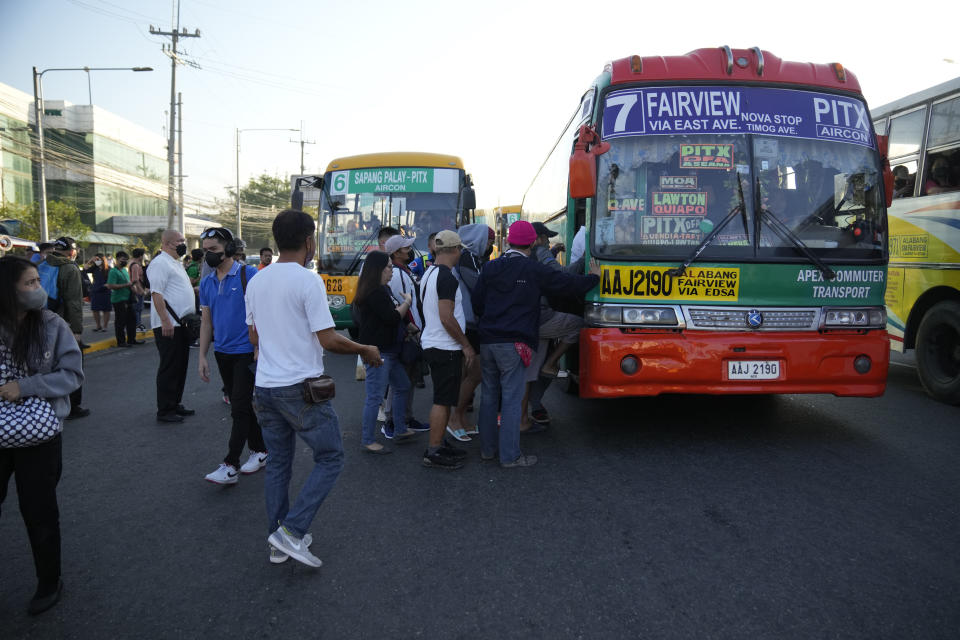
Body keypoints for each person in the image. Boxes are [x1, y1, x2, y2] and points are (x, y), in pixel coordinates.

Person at [246, 209, 381, 567]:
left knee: (278, 465)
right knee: (331, 457)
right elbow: (329, 340)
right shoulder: (308, 281)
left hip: (264, 387)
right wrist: (364, 349)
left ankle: (278, 543)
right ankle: (291, 532)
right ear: (309, 241)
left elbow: (253, 335)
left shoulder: (257, 280)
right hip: (300, 389)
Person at [473, 221, 600, 468]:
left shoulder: (490, 268)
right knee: (511, 399)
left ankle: (487, 450)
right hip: (515, 343)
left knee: (489, 397)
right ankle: (510, 456)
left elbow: (478, 303)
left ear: (508, 241)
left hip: (488, 341)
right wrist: (592, 279)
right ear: (532, 243)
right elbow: (567, 284)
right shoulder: (532, 269)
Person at [0, 256, 83, 615]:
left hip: (39, 435)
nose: (39, 289)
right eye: (30, 283)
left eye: (38, 281)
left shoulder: (52, 324)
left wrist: (27, 386)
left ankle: (49, 582)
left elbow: (72, 375)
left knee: (39, 512)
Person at [196, 227, 267, 484]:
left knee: (238, 406)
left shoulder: (249, 275)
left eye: (213, 250)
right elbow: (206, 322)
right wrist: (203, 356)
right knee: (244, 405)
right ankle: (260, 450)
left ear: (228, 248)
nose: (208, 255)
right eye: (205, 251)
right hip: (222, 352)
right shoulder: (206, 282)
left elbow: (262, 314)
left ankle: (230, 464)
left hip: (246, 352)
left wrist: (259, 347)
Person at [418, 230, 475, 470]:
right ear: (453, 250)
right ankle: (433, 450)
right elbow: (446, 317)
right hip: (445, 346)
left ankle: (438, 443)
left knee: (445, 398)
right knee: (442, 401)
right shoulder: (447, 278)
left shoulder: (429, 273)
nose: (461, 253)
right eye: (460, 249)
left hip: (433, 342)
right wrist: (466, 345)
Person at [354, 250, 417, 454]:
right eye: (389, 267)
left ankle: (399, 429)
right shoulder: (375, 292)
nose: (392, 270)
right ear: (378, 270)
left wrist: (408, 325)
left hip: (388, 350)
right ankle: (368, 440)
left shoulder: (383, 289)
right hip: (378, 352)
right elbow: (391, 317)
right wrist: (407, 302)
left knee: (402, 385)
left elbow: (393, 314)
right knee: (375, 397)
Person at [147, 230, 195, 423]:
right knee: (170, 367)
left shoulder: (175, 263)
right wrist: (166, 321)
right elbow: (156, 294)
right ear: (167, 243)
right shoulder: (160, 263)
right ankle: (165, 409)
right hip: (169, 324)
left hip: (181, 324)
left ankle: (175, 403)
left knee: (180, 365)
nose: (183, 243)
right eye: (180, 241)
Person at [383, 233, 428, 435]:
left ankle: (406, 418)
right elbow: (401, 304)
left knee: (408, 379)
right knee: (400, 381)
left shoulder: (403, 271)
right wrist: (410, 328)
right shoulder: (397, 274)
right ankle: (392, 421)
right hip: (407, 333)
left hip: (412, 331)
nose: (409, 250)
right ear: (396, 253)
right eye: (405, 248)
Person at [39, 237, 89, 420]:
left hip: (40, 320)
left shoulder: (43, 264)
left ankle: (46, 403)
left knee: (48, 364)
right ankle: (73, 406)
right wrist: (77, 330)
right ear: (72, 251)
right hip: (61, 323)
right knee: (72, 363)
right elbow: (74, 302)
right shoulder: (69, 268)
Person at [447, 223, 488, 437]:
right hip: (469, 323)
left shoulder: (466, 257)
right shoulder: (468, 258)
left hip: (466, 321)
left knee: (467, 373)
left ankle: (460, 417)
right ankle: (455, 418)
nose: (489, 244)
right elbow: (480, 286)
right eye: (487, 240)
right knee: (475, 373)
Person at [105, 251, 140, 348]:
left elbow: (128, 282)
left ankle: (132, 339)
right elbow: (110, 286)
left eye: (126, 259)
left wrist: (133, 287)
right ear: (117, 260)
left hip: (128, 298)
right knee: (121, 321)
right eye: (123, 259)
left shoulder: (125, 270)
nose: (124, 261)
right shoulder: (113, 271)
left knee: (132, 320)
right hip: (119, 300)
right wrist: (126, 285)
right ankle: (121, 342)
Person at [84, 253, 112, 333]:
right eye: (96, 259)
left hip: (105, 291)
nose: (97, 261)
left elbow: (110, 280)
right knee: (95, 309)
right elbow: (85, 269)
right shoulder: (94, 268)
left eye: (98, 259)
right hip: (95, 291)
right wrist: (90, 261)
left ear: (103, 260)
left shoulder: (108, 269)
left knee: (106, 310)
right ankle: (98, 325)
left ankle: (105, 326)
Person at [129, 248, 147, 332]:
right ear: (140, 256)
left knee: (137, 308)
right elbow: (135, 280)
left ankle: (138, 324)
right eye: (143, 255)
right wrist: (141, 291)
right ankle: (137, 325)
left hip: (135, 289)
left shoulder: (132, 263)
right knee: (138, 309)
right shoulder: (135, 265)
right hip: (138, 290)